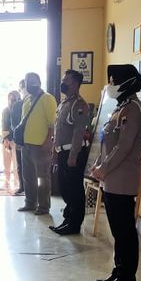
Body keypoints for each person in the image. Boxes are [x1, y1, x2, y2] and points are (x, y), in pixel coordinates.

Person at [90, 64, 141, 281]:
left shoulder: (133, 109)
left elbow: (124, 147)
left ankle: (126, 278)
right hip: (112, 178)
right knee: (118, 231)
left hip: (122, 179)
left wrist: (104, 167)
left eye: (114, 80)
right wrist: (98, 165)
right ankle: (119, 271)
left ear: (127, 82)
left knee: (125, 232)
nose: (110, 85)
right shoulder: (120, 107)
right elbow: (108, 143)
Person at [51, 70, 90, 235]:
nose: (63, 82)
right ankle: (68, 218)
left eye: (66, 80)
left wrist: (73, 155)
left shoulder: (79, 104)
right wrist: (55, 153)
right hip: (62, 152)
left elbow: (79, 132)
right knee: (64, 188)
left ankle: (74, 224)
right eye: (63, 79)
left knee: (75, 190)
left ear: (75, 83)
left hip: (73, 154)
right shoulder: (64, 104)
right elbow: (58, 130)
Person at [17, 72, 56, 215]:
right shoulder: (26, 100)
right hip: (26, 145)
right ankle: (30, 202)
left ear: (39, 82)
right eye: (27, 81)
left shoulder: (47, 99)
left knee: (42, 178)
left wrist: (48, 142)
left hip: (41, 146)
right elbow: (23, 122)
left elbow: (52, 124)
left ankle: (43, 206)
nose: (29, 84)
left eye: (32, 81)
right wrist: (21, 141)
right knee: (27, 176)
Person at [1, 90, 21, 193]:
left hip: (17, 140)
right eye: (10, 98)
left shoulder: (21, 109)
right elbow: (4, 125)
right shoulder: (6, 110)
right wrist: (6, 139)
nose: (12, 100)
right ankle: (6, 182)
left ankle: (17, 182)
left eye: (14, 98)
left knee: (16, 163)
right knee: (6, 162)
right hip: (7, 138)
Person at [10, 79, 26, 195]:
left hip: (36, 140)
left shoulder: (39, 101)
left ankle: (33, 189)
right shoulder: (17, 105)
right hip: (21, 139)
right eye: (22, 87)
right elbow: (13, 123)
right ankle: (22, 186)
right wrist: (18, 137)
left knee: (34, 166)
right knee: (20, 165)